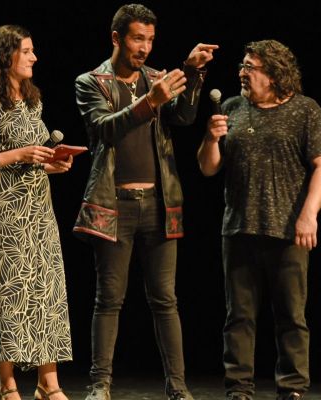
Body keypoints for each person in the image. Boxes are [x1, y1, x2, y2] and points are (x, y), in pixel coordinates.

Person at [73, 4, 217, 400]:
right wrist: (149, 102)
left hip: (158, 202)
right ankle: (100, 384)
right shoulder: (92, 82)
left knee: (165, 300)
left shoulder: (157, 78)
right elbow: (105, 129)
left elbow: (184, 118)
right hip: (113, 204)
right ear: (116, 37)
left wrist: (192, 72)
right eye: (138, 38)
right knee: (109, 299)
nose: (145, 48)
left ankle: (177, 386)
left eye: (151, 40)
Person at [197, 39, 321, 400]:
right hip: (239, 228)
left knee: (291, 316)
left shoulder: (305, 111)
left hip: (288, 231)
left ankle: (291, 388)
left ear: (273, 75)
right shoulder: (231, 108)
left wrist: (308, 216)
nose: (242, 73)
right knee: (238, 318)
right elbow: (208, 168)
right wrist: (211, 140)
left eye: (250, 67)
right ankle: (239, 388)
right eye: (242, 66)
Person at [0, 25, 74, 400]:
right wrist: (18, 155)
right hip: (6, 206)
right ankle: (7, 384)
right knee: (9, 291)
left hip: (39, 207)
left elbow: (33, 154)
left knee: (46, 289)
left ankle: (48, 383)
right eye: (26, 51)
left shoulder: (32, 101)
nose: (33, 57)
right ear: (6, 56)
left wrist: (50, 163)